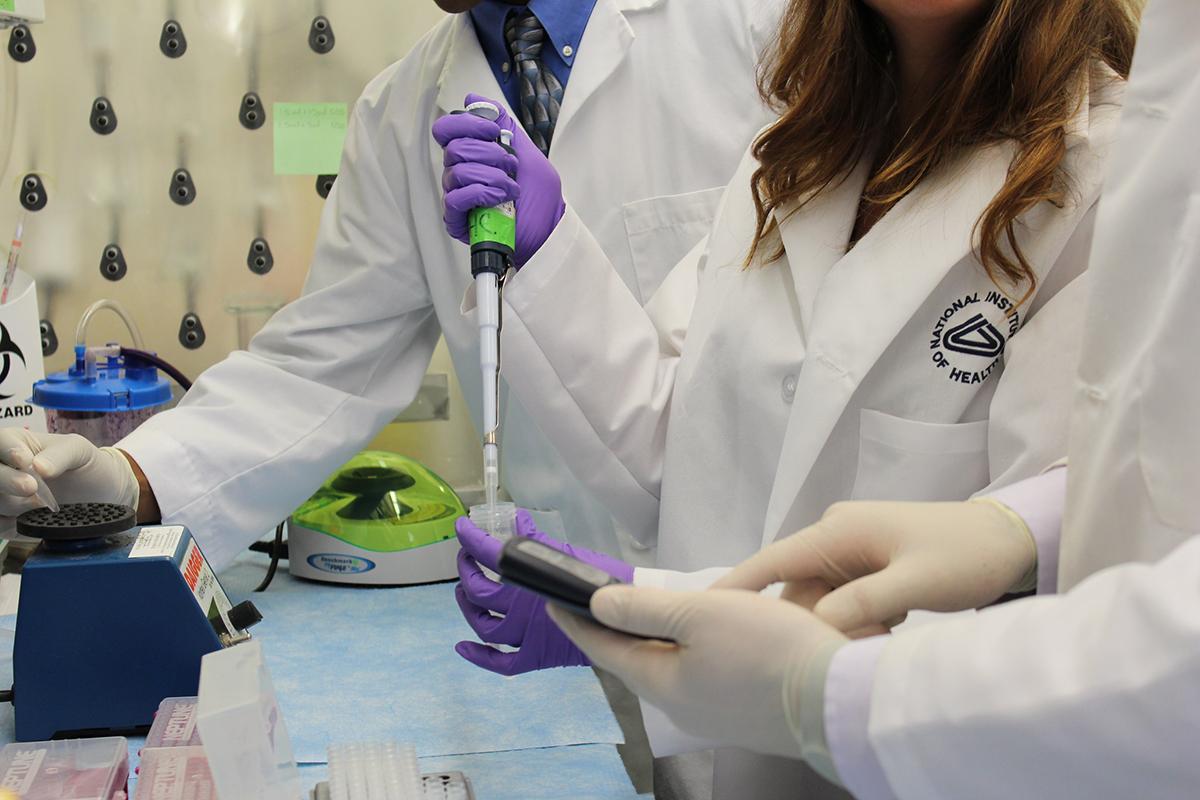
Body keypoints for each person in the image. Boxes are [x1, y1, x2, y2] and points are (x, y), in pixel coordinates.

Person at [437, 0, 1137, 795]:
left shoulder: (1115, 179)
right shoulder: (797, 147)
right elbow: (680, 443)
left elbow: (1042, 617)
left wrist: (640, 611)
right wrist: (549, 247)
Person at [0, 0, 781, 570]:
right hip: (551, 608)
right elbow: (317, 374)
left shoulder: (761, 29)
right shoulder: (403, 110)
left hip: (763, 594)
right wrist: (130, 480)